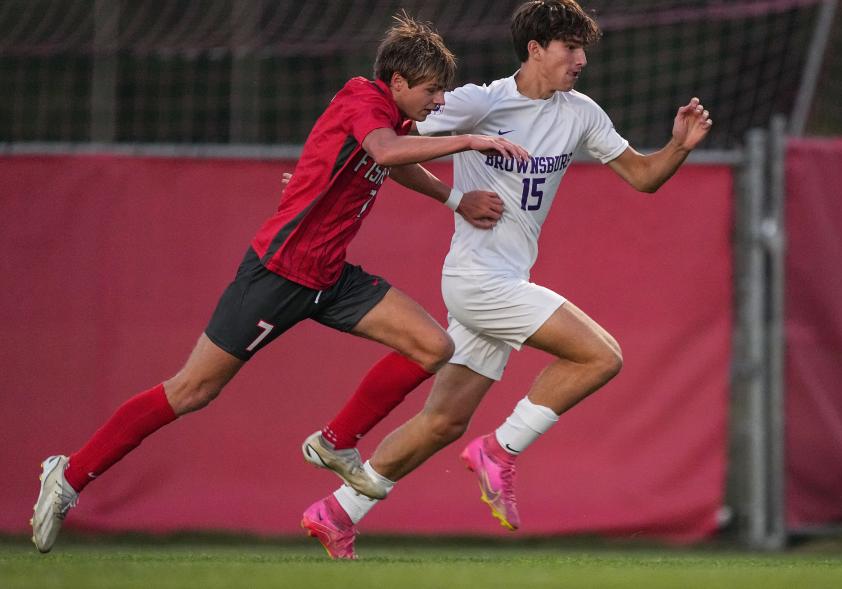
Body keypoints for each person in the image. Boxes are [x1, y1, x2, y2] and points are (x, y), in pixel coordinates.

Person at [29, 13, 529, 554]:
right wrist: (470, 141)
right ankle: (70, 475)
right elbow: (385, 152)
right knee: (193, 390)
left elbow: (393, 159)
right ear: (399, 82)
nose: (438, 102)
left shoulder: (396, 122)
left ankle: (335, 444)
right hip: (275, 274)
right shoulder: (364, 100)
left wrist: (455, 199)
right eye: (432, 91)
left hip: (330, 277)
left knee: (434, 345)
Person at [299, 0, 713, 560]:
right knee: (601, 356)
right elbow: (386, 146)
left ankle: (336, 513)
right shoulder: (480, 102)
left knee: (442, 422)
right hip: (476, 279)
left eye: (584, 49)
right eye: (570, 48)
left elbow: (643, 177)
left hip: (503, 278)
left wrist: (678, 148)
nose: (581, 59)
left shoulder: (580, 112)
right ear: (535, 49)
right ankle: (500, 450)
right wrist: (451, 197)